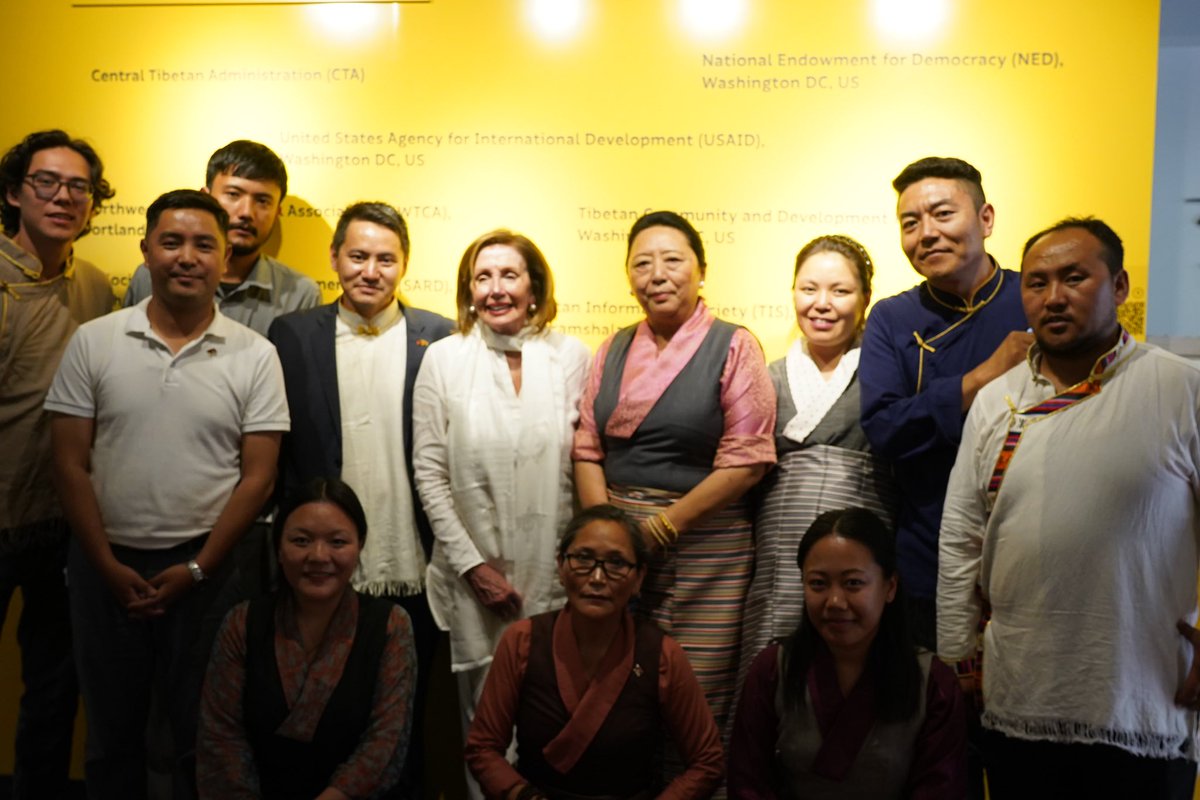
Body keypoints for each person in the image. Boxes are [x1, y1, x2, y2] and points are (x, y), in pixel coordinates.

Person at [938, 217, 1200, 798]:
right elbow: (961, 538)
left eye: (1074, 278)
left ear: (1121, 286)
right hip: (1018, 698)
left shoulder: (1182, 390)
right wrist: (958, 661)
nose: (1053, 298)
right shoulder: (995, 402)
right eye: (1036, 283)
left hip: (1143, 700)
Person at [46, 189, 289, 799]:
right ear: (146, 250)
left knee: (202, 738)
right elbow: (69, 463)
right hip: (105, 569)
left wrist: (198, 569)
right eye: (172, 242)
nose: (187, 256)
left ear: (224, 252)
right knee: (110, 738)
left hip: (210, 572)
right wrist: (104, 564)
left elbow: (258, 477)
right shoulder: (94, 341)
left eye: (204, 244)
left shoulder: (256, 355)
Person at [268, 201, 454, 798]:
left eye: (385, 259)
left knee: (404, 721)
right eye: (357, 256)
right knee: (319, 718)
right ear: (334, 258)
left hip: (416, 566)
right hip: (322, 566)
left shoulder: (441, 337)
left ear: (404, 265)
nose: (370, 271)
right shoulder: (294, 335)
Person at [573, 210, 776, 741]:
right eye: (641, 263)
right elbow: (587, 449)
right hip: (618, 558)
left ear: (701, 271)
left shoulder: (734, 345)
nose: (656, 274)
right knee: (618, 698)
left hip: (708, 551)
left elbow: (746, 460)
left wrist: (658, 530)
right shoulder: (612, 348)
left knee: (695, 700)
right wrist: (608, 534)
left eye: (672, 260)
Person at [412, 229, 590, 797]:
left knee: (555, 720)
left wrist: (579, 565)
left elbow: (582, 468)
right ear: (468, 290)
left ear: (534, 286)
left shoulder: (573, 357)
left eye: (509, 275)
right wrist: (474, 569)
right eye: (482, 277)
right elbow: (430, 474)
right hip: (473, 583)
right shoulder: (443, 359)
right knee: (482, 729)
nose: (496, 289)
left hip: (555, 578)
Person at [858, 156, 1030, 648]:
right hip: (928, 547)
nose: (926, 234)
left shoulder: (1035, 297)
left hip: (1033, 540)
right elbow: (884, 428)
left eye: (942, 214)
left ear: (986, 219)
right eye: (910, 223)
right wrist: (980, 378)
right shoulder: (892, 317)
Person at [0, 129, 116, 799]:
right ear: (14, 192)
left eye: (79, 187)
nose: (64, 196)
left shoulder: (97, 286)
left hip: (63, 524)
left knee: (52, 695)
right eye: (46, 182)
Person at [465, 504, 724, 800]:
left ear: (639, 578)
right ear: (561, 567)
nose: (598, 578)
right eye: (583, 559)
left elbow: (708, 761)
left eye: (616, 564)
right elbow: (482, 748)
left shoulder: (661, 654)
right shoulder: (522, 641)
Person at [737, 235, 897, 688]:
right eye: (808, 289)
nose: (822, 304)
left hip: (863, 551)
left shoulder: (888, 377)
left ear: (866, 298)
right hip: (779, 556)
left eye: (840, 291)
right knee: (774, 676)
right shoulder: (766, 378)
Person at [197, 477, 417, 800]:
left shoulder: (390, 626)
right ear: (279, 549)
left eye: (337, 542)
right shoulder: (243, 623)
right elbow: (221, 739)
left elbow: (385, 743)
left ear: (360, 547)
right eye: (301, 541)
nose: (318, 555)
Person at [729, 508, 966, 799]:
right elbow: (748, 784)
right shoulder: (773, 670)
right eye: (818, 583)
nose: (835, 601)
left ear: (890, 587)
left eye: (853, 583)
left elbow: (940, 789)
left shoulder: (933, 683)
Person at [123, 139, 320, 335]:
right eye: (233, 194)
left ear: (278, 212)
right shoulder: (149, 277)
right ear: (206, 197)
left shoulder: (300, 296)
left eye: (262, 201)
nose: (246, 213)